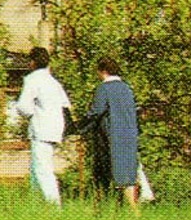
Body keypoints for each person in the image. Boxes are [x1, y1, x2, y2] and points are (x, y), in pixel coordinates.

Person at [14, 46, 71, 205]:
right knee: (36, 169)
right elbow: (65, 105)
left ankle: (54, 207)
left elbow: (23, 106)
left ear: (32, 62)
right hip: (56, 130)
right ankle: (35, 205)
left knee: (42, 170)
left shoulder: (32, 79)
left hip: (41, 129)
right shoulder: (54, 82)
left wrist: (33, 114)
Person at [80, 56, 140, 207]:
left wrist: (80, 127)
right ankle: (133, 210)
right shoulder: (127, 88)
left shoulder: (104, 88)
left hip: (111, 137)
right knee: (128, 175)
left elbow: (96, 112)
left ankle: (103, 208)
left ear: (102, 71)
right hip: (129, 135)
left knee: (106, 174)